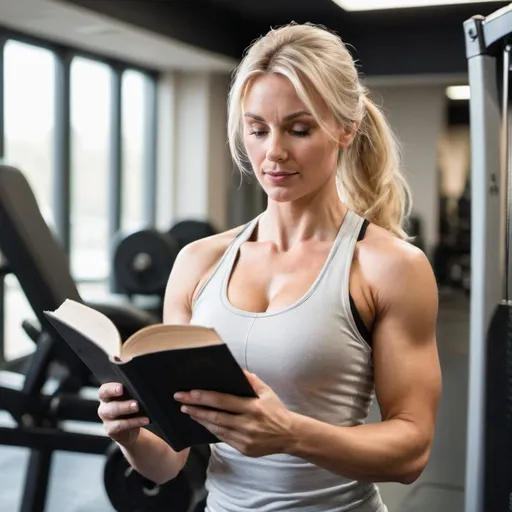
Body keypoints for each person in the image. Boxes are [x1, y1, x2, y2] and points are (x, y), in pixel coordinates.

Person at [97, 22, 442, 512]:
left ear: (346, 128)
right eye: (257, 129)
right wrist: (130, 436)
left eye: (298, 129)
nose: (273, 152)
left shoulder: (389, 267)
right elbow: (170, 461)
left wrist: (290, 434)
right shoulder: (198, 262)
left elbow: (412, 450)